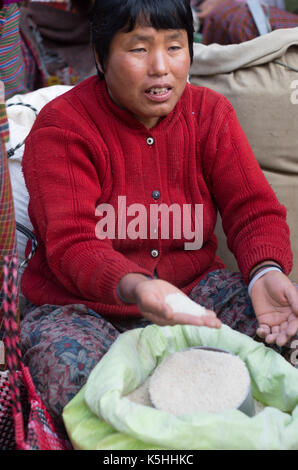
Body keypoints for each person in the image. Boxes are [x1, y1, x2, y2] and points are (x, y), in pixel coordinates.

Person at [20, 0, 298, 438]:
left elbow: (252, 208)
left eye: (174, 47)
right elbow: (72, 243)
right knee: (79, 386)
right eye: (138, 49)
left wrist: (266, 272)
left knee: (287, 337)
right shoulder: (63, 127)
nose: (160, 67)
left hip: (196, 294)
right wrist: (138, 287)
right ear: (100, 56)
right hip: (80, 309)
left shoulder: (210, 114)